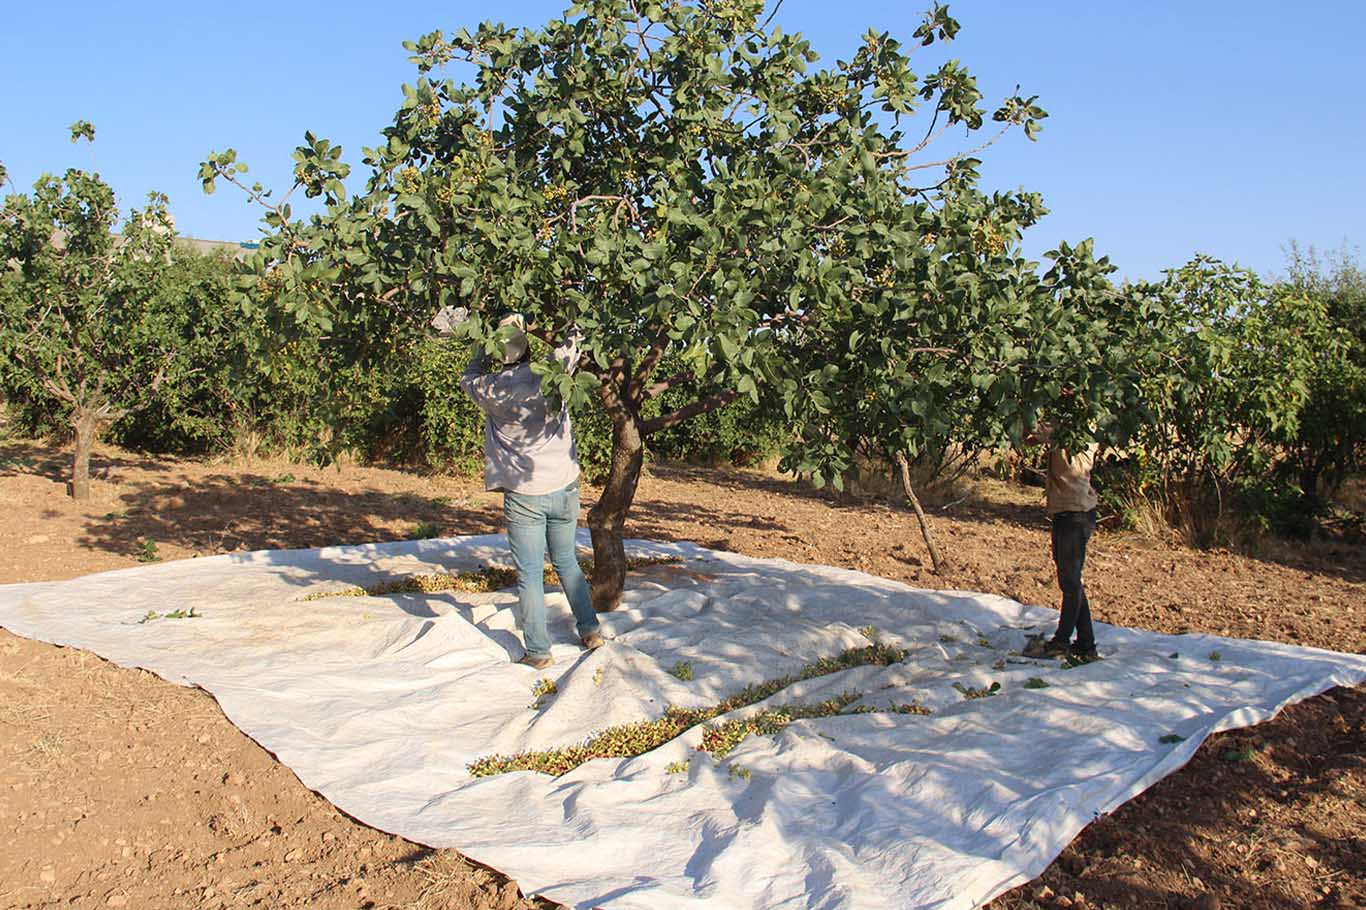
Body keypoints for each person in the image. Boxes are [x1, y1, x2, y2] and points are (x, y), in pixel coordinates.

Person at [457, 313, 603, 670]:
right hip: (564, 485)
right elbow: (574, 337)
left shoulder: (490, 389)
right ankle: (590, 631)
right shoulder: (551, 375)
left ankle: (539, 652)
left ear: (499, 352)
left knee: (531, 574)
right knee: (567, 561)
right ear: (527, 346)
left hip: (524, 495)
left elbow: (467, 376)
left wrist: (482, 342)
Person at [1022, 422, 1101, 662]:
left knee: (1070, 582)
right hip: (1068, 512)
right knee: (1071, 580)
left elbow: (1032, 434)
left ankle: (1062, 642)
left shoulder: (1077, 426)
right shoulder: (1064, 426)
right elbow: (1030, 439)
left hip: (1074, 514)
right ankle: (1086, 644)